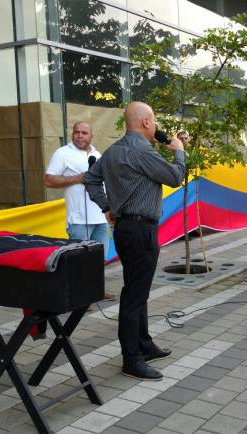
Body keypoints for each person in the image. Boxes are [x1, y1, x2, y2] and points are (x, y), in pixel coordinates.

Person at [83, 101, 185, 381]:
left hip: (128, 229)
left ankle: (144, 344)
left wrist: (107, 207)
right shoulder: (142, 151)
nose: (155, 126)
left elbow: (91, 179)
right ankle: (132, 358)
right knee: (134, 295)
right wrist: (179, 153)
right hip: (140, 231)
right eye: (153, 121)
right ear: (146, 122)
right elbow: (176, 177)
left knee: (137, 289)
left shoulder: (114, 151)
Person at [45, 121, 116, 301]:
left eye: (84, 132)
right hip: (78, 218)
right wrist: (77, 178)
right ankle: (79, 297)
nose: (80, 135)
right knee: (78, 260)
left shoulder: (97, 154)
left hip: (100, 216)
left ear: (91, 135)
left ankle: (96, 291)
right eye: (77, 132)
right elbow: (49, 180)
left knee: (99, 258)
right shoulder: (63, 153)